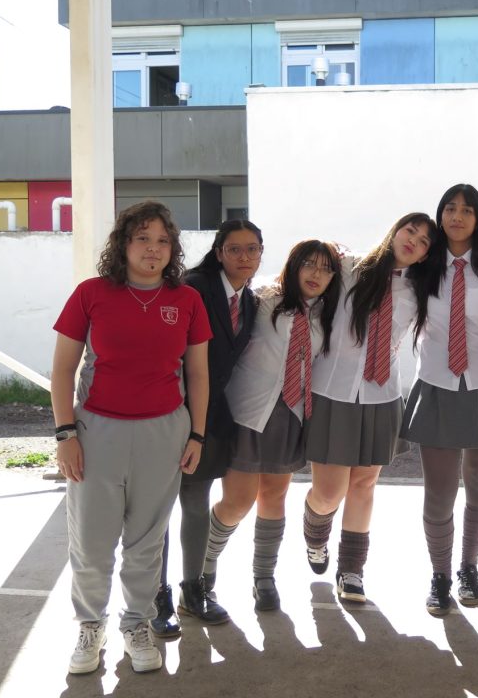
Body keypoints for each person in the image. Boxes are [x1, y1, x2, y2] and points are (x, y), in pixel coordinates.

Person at [51, 201, 210, 674]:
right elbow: (62, 371)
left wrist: (197, 434)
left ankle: (137, 624)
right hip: (96, 432)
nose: (153, 249)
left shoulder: (187, 300)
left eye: (162, 240)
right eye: (142, 238)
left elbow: (198, 375)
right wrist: (65, 434)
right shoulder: (91, 294)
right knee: (92, 541)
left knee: (146, 541)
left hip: (165, 433)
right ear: (123, 244)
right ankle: (90, 625)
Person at [301, 213, 437, 603]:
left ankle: (352, 571)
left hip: (381, 395)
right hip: (333, 391)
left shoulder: (420, 290)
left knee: (363, 484)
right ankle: (315, 534)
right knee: (329, 493)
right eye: (410, 231)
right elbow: (307, 273)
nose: (413, 241)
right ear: (395, 230)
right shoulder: (348, 268)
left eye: (424, 241)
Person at [402, 184, 478, 616]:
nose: (457, 216)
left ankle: (469, 567)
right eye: (450, 208)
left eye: (467, 210)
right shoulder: (423, 264)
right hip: (436, 383)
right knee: (438, 490)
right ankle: (440, 575)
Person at [206, 240, 341, 612]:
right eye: (309, 264)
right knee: (238, 501)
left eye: (326, 269)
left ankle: (264, 578)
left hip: (289, 414)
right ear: (293, 265)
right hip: (248, 412)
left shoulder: (326, 314)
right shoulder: (262, 297)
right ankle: (204, 566)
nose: (316, 274)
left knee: (274, 497)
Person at [151, 220, 263, 635]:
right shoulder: (192, 288)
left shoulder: (249, 300)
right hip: (168, 413)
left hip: (211, 418)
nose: (244, 257)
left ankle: (193, 590)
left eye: (252, 249)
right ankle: (156, 596)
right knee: (158, 510)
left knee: (196, 503)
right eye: (234, 249)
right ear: (219, 253)